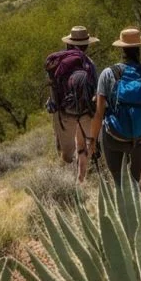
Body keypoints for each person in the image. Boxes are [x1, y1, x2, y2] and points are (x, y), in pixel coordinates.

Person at [87, 27, 141, 185]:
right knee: (137, 183)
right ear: (139, 49)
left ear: (121, 49)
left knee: (119, 183)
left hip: (113, 138)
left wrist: (92, 141)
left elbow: (98, 113)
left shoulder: (108, 74)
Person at [45, 26, 99, 183]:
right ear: (86, 45)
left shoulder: (57, 63)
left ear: (68, 44)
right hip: (86, 112)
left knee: (65, 153)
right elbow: (95, 90)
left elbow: (53, 94)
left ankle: (68, 182)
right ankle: (82, 179)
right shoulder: (89, 63)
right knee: (84, 147)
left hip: (64, 114)